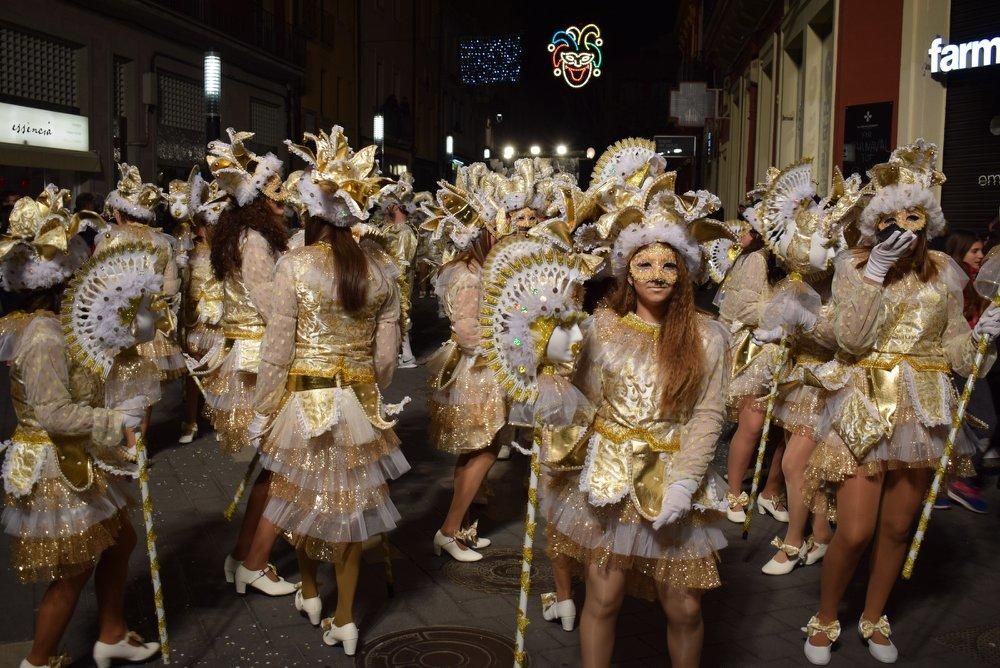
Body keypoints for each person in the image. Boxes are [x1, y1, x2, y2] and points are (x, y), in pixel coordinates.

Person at [800, 140, 1000, 664]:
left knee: (895, 527)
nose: (905, 229)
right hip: (866, 401)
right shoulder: (856, 266)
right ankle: (824, 617)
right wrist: (871, 275)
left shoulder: (944, 271)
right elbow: (849, 340)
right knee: (857, 528)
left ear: (927, 220)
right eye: (893, 219)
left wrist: (982, 340)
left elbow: (954, 349)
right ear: (876, 224)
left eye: (915, 217)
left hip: (924, 408)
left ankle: (874, 616)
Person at [548, 176, 729, 668]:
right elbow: (576, 401)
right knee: (603, 599)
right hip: (611, 480)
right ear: (626, 270)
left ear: (685, 273)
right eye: (644, 263)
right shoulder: (602, 327)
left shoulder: (708, 335)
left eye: (669, 264)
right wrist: (551, 356)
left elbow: (710, 413)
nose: (656, 274)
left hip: (673, 476)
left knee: (685, 607)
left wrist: (686, 482)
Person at [246, 127, 409, 655]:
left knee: (302, 496)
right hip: (358, 400)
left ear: (313, 211)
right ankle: (344, 617)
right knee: (351, 508)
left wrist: (264, 408)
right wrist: (367, 388)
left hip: (305, 400)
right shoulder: (381, 268)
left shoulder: (294, 264)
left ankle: (311, 589)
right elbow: (387, 356)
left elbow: (278, 347)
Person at [0, 187, 160, 668]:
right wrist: (115, 423)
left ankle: (110, 632)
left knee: (120, 540)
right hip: (57, 463)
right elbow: (52, 413)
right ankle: (38, 660)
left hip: (75, 454)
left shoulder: (42, 324)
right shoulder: (44, 335)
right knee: (72, 572)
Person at [199, 128, 296, 595]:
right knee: (283, 465)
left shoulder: (241, 235)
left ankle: (241, 556)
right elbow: (269, 304)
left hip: (251, 352)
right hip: (261, 359)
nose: (286, 200)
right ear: (260, 197)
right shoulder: (255, 241)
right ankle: (254, 563)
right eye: (277, 192)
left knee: (272, 464)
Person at [423, 176, 508, 562]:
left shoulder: (469, 271)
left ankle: (462, 527)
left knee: (475, 450)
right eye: (492, 231)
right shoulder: (471, 276)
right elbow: (471, 334)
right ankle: (449, 530)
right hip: (478, 373)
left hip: (475, 371)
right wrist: (518, 345)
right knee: (486, 449)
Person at [716, 195, 789, 525]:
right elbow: (742, 308)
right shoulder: (757, 259)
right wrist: (785, 316)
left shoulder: (794, 262)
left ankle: (771, 491)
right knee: (752, 422)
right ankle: (733, 493)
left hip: (791, 350)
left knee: (783, 428)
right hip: (757, 349)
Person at [98, 164, 187, 394]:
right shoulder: (163, 242)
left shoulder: (110, 240)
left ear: (119, 212)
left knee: (119, 384)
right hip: (151, 324)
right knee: (146, 388)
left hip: (115, 324)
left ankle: (126, 429)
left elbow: (95, 283)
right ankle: (140, 432)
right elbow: (169, 289)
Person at [941, 230, 993, 512]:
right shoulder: (953, 284)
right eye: (974, 251)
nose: (980, 256)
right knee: (978, 422)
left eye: (981, 250)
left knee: (977, 423)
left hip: (976, 360)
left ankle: (951, 480)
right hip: (960, 362)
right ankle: (954, 481)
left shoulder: (980, 283)